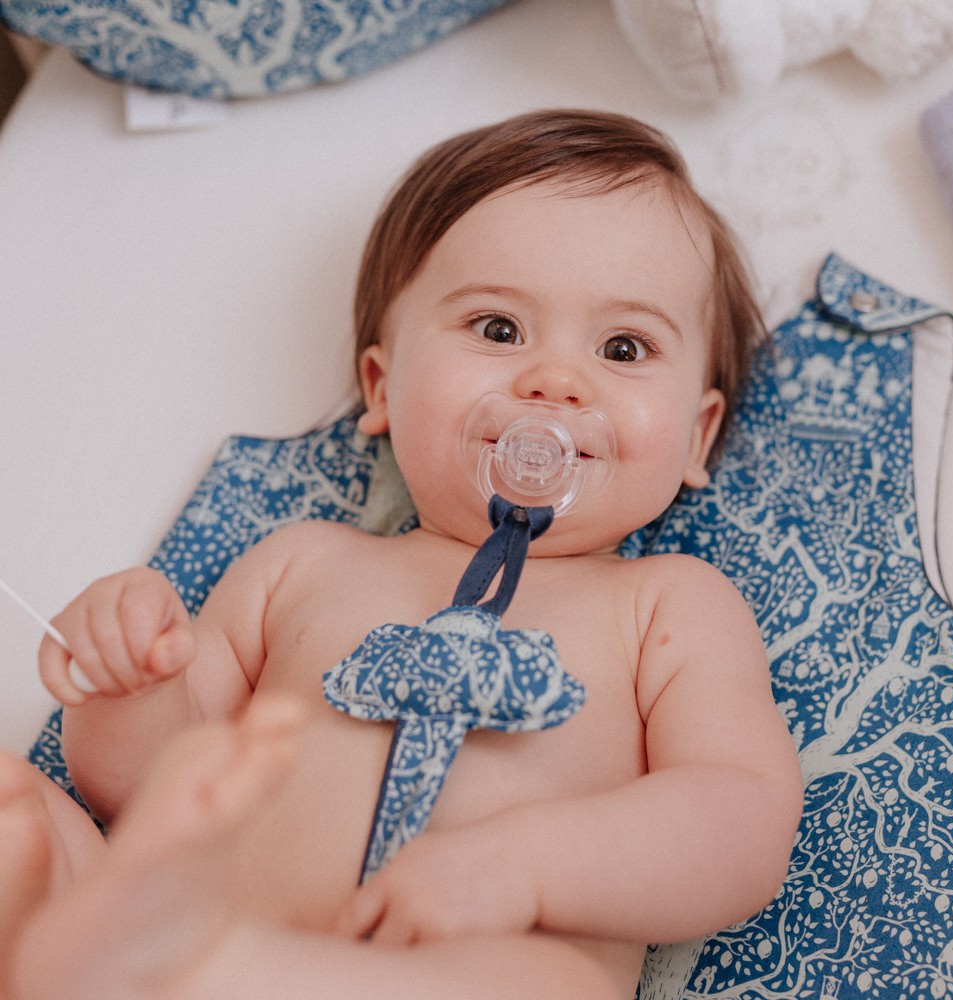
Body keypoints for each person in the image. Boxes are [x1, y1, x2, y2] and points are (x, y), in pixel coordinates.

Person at [1, 109, 803, 1000]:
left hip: (452, 973)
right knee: (16, 809)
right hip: (188, 936)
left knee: (549, 982)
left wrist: (524, 869)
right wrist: (131, 685)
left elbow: (740, 823)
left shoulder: (666, 606)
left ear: (696, 436)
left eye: (624, 348)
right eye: (498, 329)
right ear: (383, 388)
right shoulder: (300, 566)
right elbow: (142, 794)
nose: (555, 381)